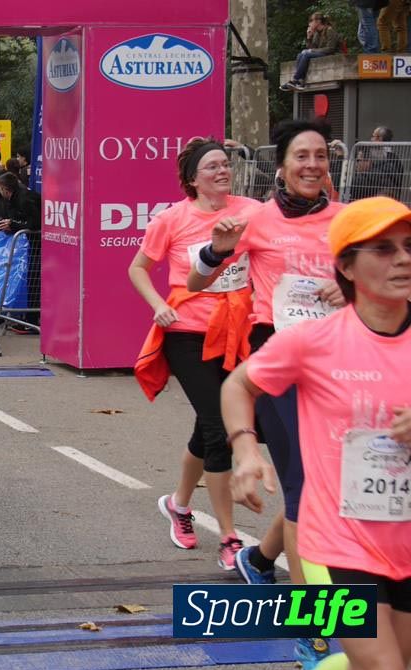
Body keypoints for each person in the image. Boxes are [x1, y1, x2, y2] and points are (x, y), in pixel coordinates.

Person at [223, 196, 411, 670]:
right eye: (384, 249)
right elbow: (239, 384)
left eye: (409, 246)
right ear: (346, 266)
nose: (404, 258)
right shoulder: (313, 341)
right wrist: (246, 450)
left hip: (405, 538)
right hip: (338, 542)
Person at [189, 118, 346, 670]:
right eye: (301, 156)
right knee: (307, 490)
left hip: (339, 368)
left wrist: (347, 287)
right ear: (280, 166)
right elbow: (194, 283)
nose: (311, 165)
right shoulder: (256, 219)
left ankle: (260, 558)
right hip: (275, 364)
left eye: (320, 156)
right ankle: (316, 634)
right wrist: (217, 250)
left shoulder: (348, 221)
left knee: (330, 484)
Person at [130, 138, 259, 571]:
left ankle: (179, 504)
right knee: (219, 427)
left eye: (226, 165)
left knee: (208, 431)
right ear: (192, 178)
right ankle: (229, 537)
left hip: (237, 332)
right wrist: (158, 305)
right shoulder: (172, 219)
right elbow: (138, 268)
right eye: (212, 167)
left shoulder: (250, 211)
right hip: (187, 334)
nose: (223, 172)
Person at [281, 12, 342, 92]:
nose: (310, 23)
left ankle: (296, 80)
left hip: (330, 54)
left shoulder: (329, 30)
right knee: (300, 55)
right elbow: (313, 48)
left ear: (318, 22)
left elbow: (331, 48)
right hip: (321, 54)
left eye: (311, 21)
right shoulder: (317, 33)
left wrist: (311, 50)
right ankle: (299, 81)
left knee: (306, 54)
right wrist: (309, 37)